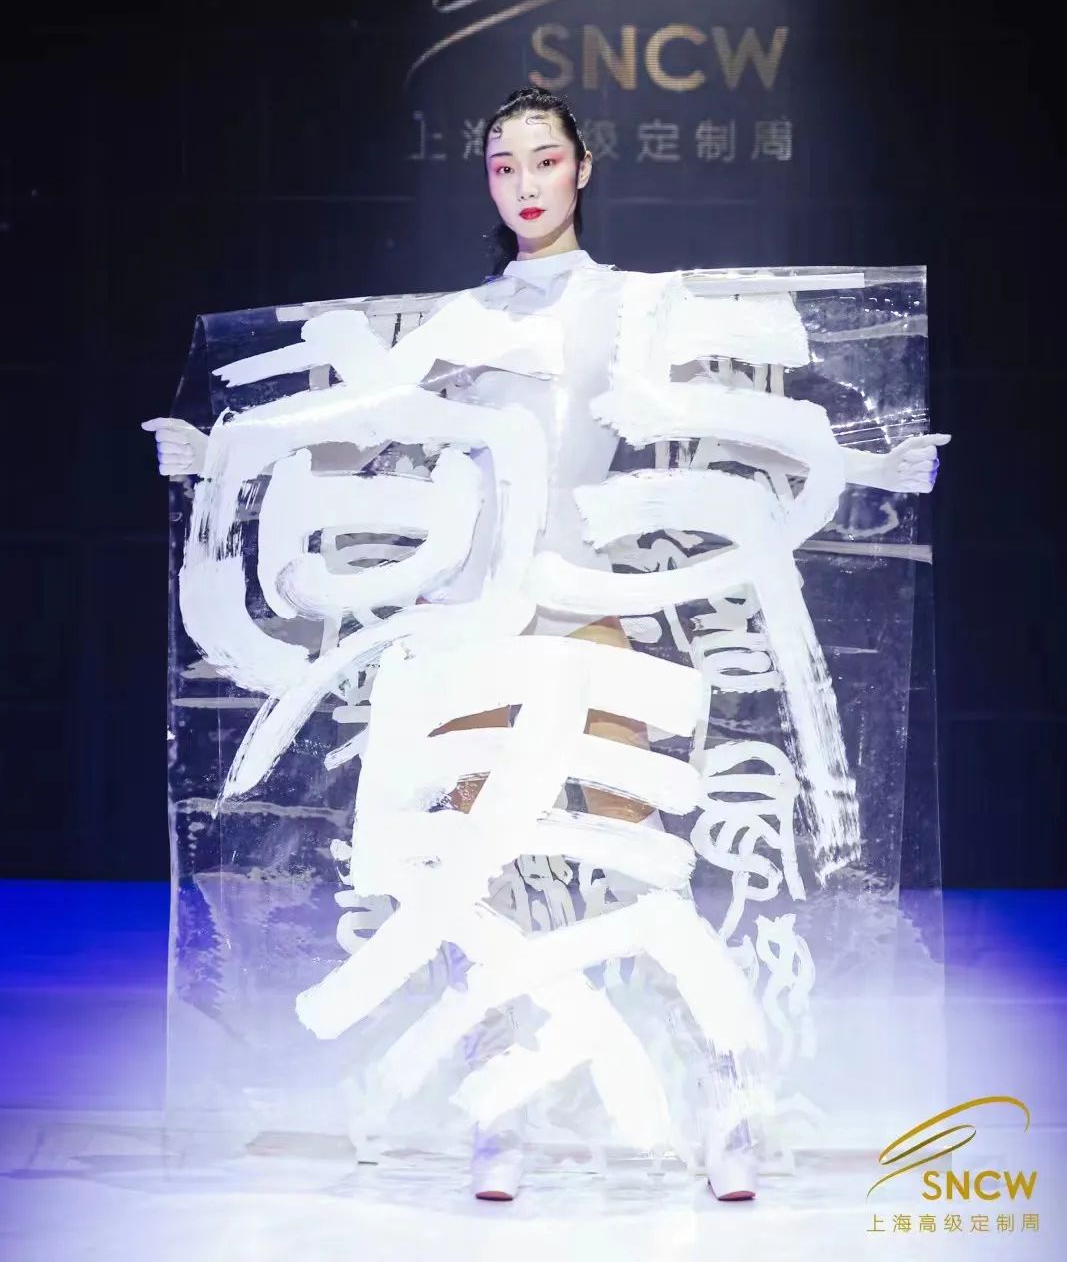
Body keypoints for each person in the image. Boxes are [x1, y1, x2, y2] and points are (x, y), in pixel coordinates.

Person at [144, 85, 946, 1203]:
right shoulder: (460, 321)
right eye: (502, 165)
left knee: (639, 857)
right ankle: (500, 1110)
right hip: (476, 620)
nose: (523, 183)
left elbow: (739, 423)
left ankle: (726, 1102)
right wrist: (224, 450)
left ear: (582, 169)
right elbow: (355, 426)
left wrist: (871, 464)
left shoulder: (636, 306)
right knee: (473, 871)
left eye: (543, 159)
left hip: (587, 609)